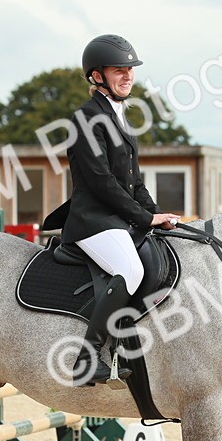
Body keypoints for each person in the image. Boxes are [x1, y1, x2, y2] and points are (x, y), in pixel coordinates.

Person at [60, 34, 179, 387]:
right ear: (97, 76)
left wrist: (159, 215)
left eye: (130, 70)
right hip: (92, 222)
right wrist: (142, 218)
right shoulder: (84, 119)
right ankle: (87, 356)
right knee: (129, 267)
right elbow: (101, 182)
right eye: (118, 70)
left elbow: (134, 183)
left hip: (116, 219)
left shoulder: (120, 118)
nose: (127, 76)